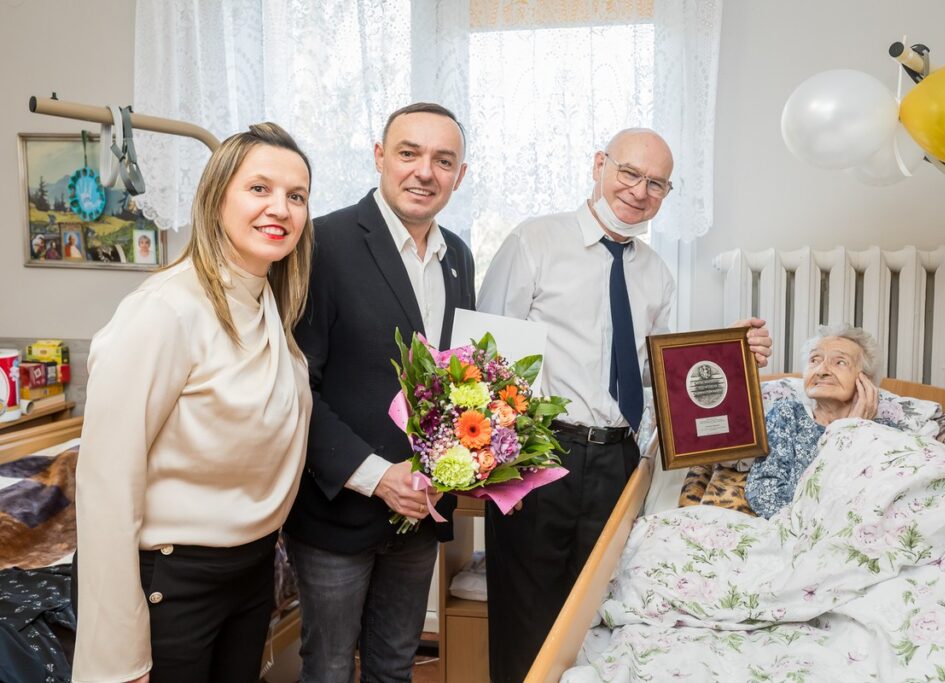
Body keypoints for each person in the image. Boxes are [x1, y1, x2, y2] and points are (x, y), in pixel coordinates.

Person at [478, 127, 774, 683]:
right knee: (527, 620)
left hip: (618, 460)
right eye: (630, 173)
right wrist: (499, 472)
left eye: (656, 184)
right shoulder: (534, 242)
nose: (639, 192)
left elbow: (654, 376)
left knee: (602, 620)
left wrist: (726, 352)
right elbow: (484, 359)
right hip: (542, 456)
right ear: (599, 164)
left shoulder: (655, 273)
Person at [73, 122, 314, 683]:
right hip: (172, 579)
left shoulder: (265, 304)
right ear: (216, 196)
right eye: (259, 188)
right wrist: (117, 653)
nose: (280, 208)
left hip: (248, 570)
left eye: (296, 196)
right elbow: (106, 482)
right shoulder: (166, 311)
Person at [283, 102, 475, 682]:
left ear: (459, 176)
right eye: (409, 153)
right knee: (331, 668)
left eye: (443, 161)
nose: (425, 172)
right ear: (379, 157)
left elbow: (457, 384)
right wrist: (376, 476)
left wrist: (453, 467)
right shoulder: (321, 243)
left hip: (419, 513)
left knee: (395, 665)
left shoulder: (458, 258)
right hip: (337, 512)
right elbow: (294, 388)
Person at [746, 324, 898, 519]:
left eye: (839, 362)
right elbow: (764, 494)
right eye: (814, 360)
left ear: (866, 380)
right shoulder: (788, 416)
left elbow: (880, 506)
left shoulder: (885, 433)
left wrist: (855, 431)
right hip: (790, 533)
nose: (821, 370)